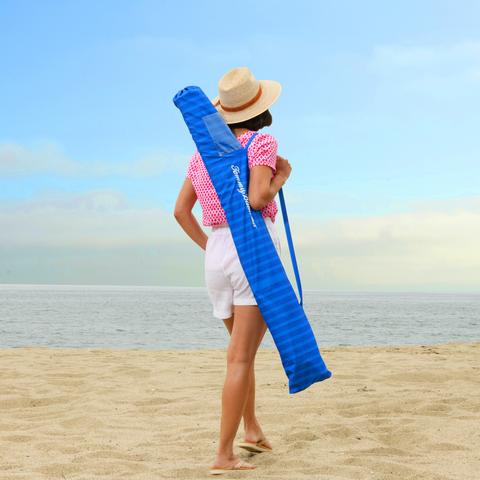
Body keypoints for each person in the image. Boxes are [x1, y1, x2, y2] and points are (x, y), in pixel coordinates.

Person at [174, 67, 292, 474]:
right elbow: (258, 198)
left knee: (242, 354)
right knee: (240, 357)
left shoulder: (200, 154)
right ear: (260, 108)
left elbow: (180, 212)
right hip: (253, 245)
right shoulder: (261, 142)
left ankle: (252, 429)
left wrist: (214, 249)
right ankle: (223, 455)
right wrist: (281, 177)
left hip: (218, 252)